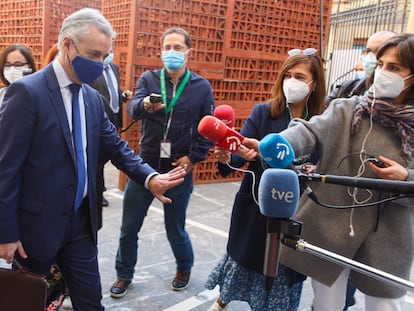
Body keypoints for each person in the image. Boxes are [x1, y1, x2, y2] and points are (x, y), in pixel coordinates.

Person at [0, 8, 186, 311]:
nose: (100, 64)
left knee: (90, 303)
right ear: (68, 45)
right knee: (28, 302)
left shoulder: (91, 99)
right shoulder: (26, 93)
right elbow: (6, 169)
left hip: (80, 224)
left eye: (105, 56)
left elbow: (116, 147)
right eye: (94, 54)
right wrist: (5, 233)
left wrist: (150, 177)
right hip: (35, 227)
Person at [243, 33, 414, 311]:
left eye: (394, 68)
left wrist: (406, 178)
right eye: (381, 64)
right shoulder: (349, 109)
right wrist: (279, 144)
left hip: (388, 241)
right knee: (326, 306)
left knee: (385, 307)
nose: (382, 72)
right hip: (329, 229)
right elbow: (309, 130)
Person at [205, 48, 326, 311]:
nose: (291, 81)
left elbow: (324, 164)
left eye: (300, 76)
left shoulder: (321, 122)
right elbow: (238, 158)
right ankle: (222, 300)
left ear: (314, 84)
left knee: (284, 271)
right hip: (256, 209)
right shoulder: (264, 113)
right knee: (244, 261)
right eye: (288, 75)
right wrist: (226, 154)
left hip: (296, 211)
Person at [110, 27, 215, 298]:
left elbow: (209, 129)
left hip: (178, 168)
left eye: (178, 48)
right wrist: (144, 103)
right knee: (129, 227)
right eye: (167, 47)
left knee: (175, 227)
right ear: (160, 51)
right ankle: (124, 274)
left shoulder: (201, 87)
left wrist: (193, 158)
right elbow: (131, 109)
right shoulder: (148, 79)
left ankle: (184, 267)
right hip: (144, 166)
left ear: (188, 52)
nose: (172, 53)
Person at [325, 29, 397, 311]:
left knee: (382, 300)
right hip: (339, 216)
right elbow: (317, 129)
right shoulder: (349, 92)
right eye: (371, 55)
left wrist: (406, 178)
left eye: (387, 60)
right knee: (331, 297)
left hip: (386, 230)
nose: (375, 62)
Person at [89, 53, 132, 216]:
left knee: (106, 155)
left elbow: (112, 90)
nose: (107, 55)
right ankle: (98, 194)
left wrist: (122, 95)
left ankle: (100, 188)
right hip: (98, 118)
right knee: (98, 158)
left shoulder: (113, 67)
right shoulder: (92, 68)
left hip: (114, 117)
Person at [325, 30, 397, 105]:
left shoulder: (404, 102)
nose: (371, 56)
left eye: (379, 51)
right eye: (368, 51)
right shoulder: (347, 88)